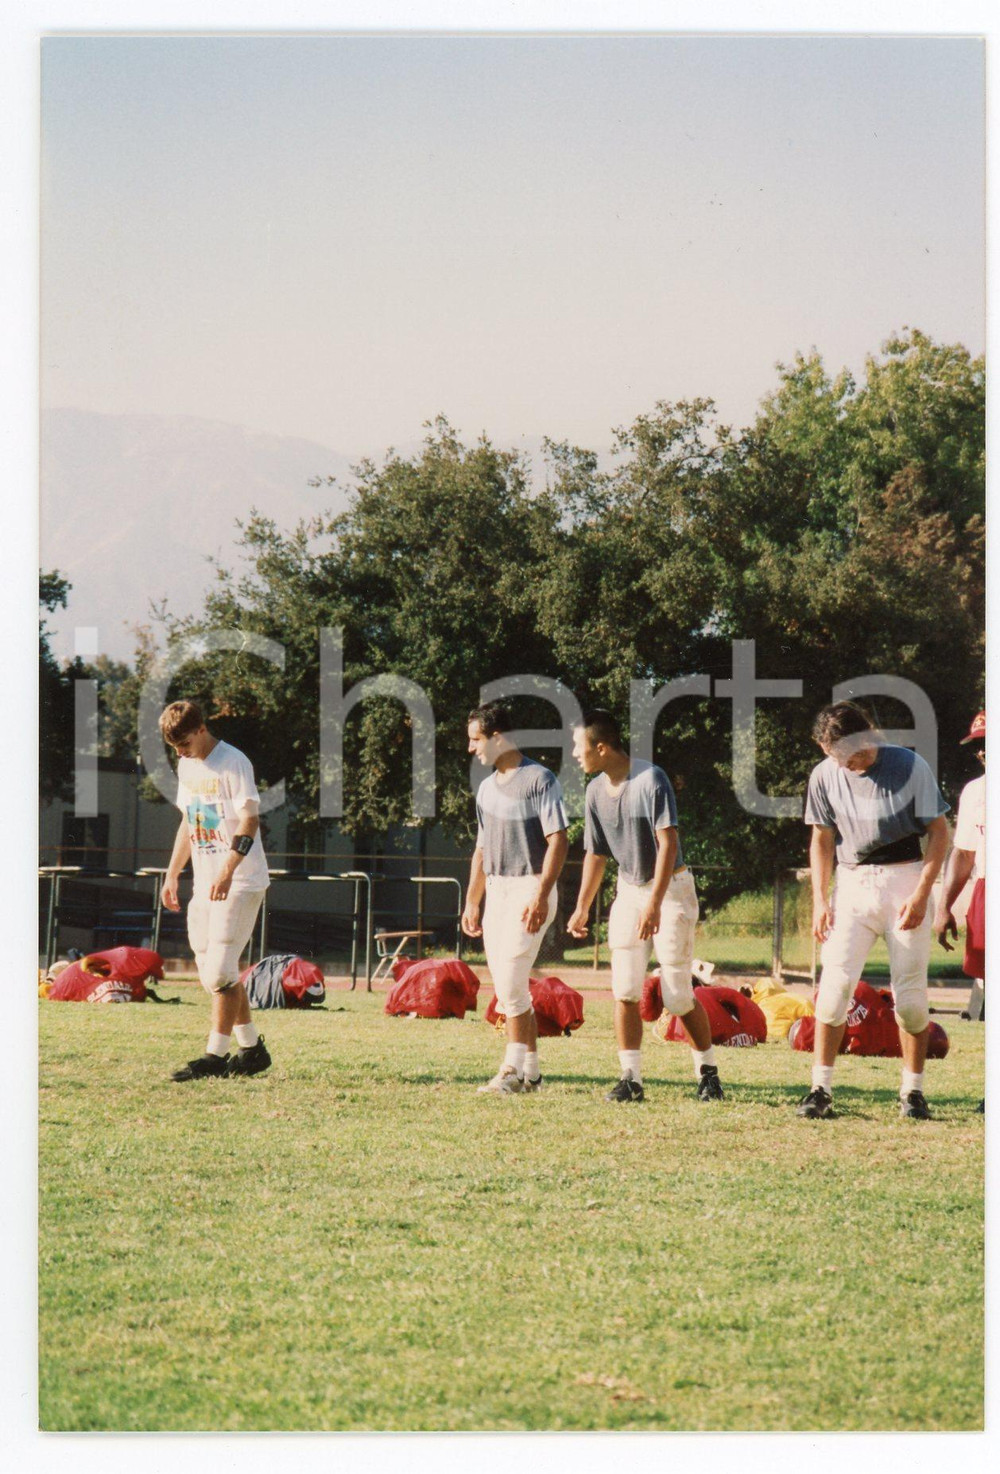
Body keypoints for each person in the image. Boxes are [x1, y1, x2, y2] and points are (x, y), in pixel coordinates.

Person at [799, 701, 949, 1121]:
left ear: (870, 732)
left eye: (856, 753)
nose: (850, 764)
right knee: (832, 992)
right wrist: (820, 899)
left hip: (904, 880)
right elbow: (822, 839)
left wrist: (922, 892)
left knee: (911, 1001)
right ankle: (820, 1088)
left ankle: (913, 1091)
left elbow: (939, 832)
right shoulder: (826, 774)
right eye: (838, 757)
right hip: (852, 884)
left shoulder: (908, 765)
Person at [566, 710, 724, 1103]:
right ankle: (631, 1079)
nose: (574, 755)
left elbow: (668, 843)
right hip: (630, 889)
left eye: (578, 746)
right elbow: (596, 855)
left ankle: (708, 1074)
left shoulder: (651, 778)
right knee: (624, 990)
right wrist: (583, 906)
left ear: (601, 748)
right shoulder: (594, 792)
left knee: (677, 996)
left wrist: (654, 904)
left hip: (670, 889)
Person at [159, 700, 272, 1081]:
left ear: (201, 729)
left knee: (222, 969)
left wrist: (227, 871)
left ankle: (215, 1056)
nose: (180, 752)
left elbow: (250, 821)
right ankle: (252, 1048)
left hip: (239, 878)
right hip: (207, 880)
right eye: (174, 747)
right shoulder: (187, 765)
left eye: (184, 743)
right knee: (211, 970)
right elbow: (191, 823)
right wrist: (173, 873)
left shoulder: (233, 761)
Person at [462, 700, 568, 1094]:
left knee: (509, 981)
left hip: (530, 885)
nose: (472, 748)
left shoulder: (540, 779)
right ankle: (533, 1075)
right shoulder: (486, 789)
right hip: (497, 889)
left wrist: (541, 895)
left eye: (476, 740)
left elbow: (559, 839)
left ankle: (510, 1070)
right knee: (513, 988)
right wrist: (473, 901)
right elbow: (481, 849)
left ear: (497, 737)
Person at [934, 710, 985, 1111]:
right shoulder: (975, 792)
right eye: (979, 746)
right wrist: (944, 907)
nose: (984, 752)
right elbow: (965, 854)